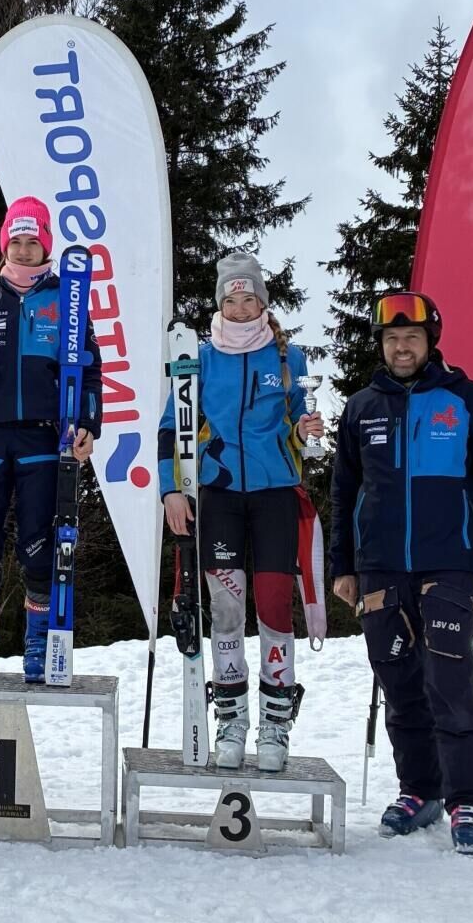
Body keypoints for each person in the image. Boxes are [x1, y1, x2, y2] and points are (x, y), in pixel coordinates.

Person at [331, 291, 473, 855]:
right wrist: (342, 565)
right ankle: (420, 790)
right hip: (379, 568)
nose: (401, 347)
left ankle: (467, 801)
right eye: (392, 339)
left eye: (411, 337)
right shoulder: (361, 407)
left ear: (430, 341)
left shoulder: (465, 399)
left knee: (450, 683)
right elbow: (343, 493)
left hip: (447, 564)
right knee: (400, 685)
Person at [157, 253, 324, 772]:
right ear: (220, 305)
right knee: (227, 608)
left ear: (262, 303)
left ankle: (276, 723)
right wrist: (171, 491)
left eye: (250, 298)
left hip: (275, 494)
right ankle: (230, 719)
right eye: (232, 300)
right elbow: (170, 427)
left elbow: (298, 425)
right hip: (220, 495)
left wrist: (306, 432)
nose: (241, 307)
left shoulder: (288, 358)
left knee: (274, 606)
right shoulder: (201, 358)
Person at [0, 197, 102, 683]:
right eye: (16, 240)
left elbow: (90, 370)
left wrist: (88, 423)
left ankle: (40, 640)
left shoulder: (67, 298)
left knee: (41, 540)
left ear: (45, 246)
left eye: (32, 241)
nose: (23, 249)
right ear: (5, 244)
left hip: (43, 435)